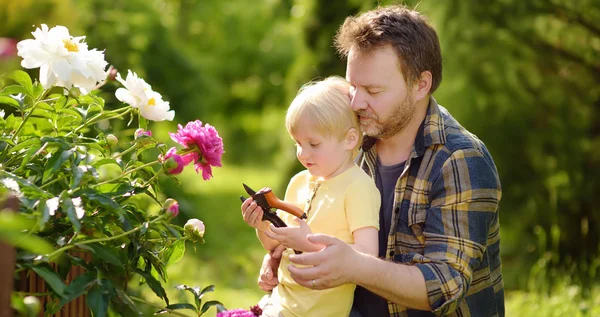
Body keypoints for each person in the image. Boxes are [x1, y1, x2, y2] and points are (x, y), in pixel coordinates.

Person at [258, 5, 504, 317]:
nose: (357, 102)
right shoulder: (352, 142)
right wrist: (289, 256)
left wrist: (355, 266)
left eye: (373, 90)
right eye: (353, 86)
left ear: (420, 85)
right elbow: (324, 232)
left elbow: (444, 286)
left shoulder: (459, 160)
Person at [241, 76, 381, 317]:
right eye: (297, 143)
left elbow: (367, 256)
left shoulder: (358, 187)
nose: (303, 153)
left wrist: (307, 244)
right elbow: (275, 244)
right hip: (280, 303)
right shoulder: (298, 182)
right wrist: (261, 224)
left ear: (349, 139)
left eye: (314, 144)